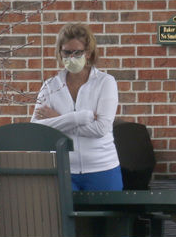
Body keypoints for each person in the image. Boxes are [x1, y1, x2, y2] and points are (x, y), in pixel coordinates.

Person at [31, 23, 123, 192]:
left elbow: (101, 128)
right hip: (63, 170)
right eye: (66, 52)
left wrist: (57, 119)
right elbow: (36, 129)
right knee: (61, 218)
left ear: (88, 53)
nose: (71, 57)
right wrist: (78, 118)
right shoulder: (50, 86)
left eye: (77, 52)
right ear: (60, 52)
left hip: (102, 168)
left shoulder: (105, 82)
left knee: (104, 218)